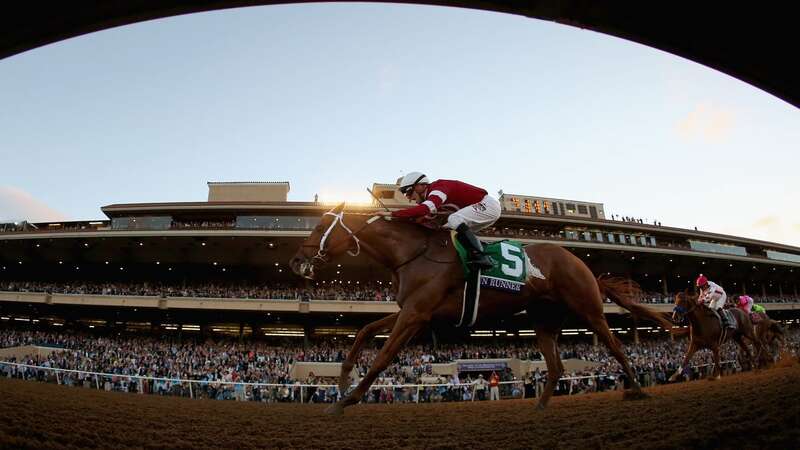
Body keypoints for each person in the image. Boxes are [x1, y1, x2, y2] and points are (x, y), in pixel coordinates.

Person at [377, 172, 501, 270]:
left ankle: (480, 257)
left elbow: (424, 209)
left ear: (421, 186)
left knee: (454, 219)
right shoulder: (432, 195)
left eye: (409, 192)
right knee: (445, 230)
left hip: (488, 205)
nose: (409, 198)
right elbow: (420, 220)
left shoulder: (438, 188)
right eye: (406, 195)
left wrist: (392, 214)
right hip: (483, 208)